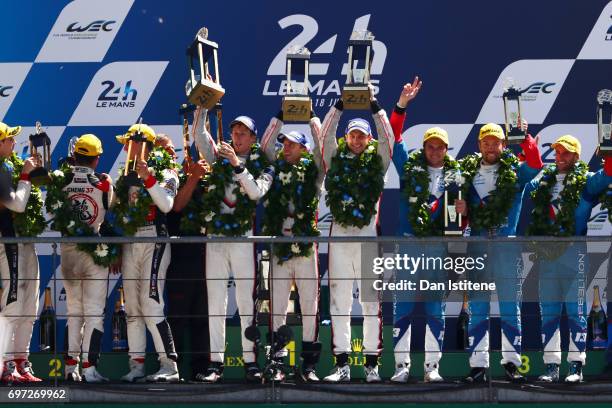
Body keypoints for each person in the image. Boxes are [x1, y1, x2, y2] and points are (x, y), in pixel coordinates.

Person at [455, 122, 542, 383]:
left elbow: (536, 165)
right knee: (479, 306)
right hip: (478, 243)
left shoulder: (514, 171)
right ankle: (478, 366)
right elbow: (454, 202)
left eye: (496, 142)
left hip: (507, 243)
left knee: (509, 306)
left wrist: (525, 138)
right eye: (486, 142)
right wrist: (461, 209)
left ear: (504, 145)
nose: (491, 146)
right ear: (479, 145)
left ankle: (512, 365)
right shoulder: (466, 172)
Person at [318, 84, 394, 383]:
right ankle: (342, 364)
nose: (358, 140)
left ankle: (373, 365)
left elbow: (388, 139)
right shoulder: (335, 161)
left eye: (362, 135)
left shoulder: (378, 162)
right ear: (346, 137)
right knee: (338, 302)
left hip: (367, 239)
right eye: (353, 135)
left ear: (368, 139)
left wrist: (375, 106)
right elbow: (324, 137)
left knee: (371, 302)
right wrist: (339, 105)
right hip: (338, 240)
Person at [193, 110, 275, 383]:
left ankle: (250, 361)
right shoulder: (218, 158)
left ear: (253, 138)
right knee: (216, 302)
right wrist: (201, 109)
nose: (237, 137)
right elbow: (200, 138)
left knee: (245, 302)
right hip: (215, 237)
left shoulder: (263, 164)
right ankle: (216, 363)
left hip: (244, 238)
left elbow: (256, 192)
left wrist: (237, 166)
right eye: (234, 132)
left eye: (243, 133)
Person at [523, 135, 612, 383]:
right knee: (549, 312)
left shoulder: (585, 181)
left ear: (576, 157)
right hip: (547, 254)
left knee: (575, 312)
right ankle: (551, 367)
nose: (560, 157)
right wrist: (529, 152)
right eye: (557, 152)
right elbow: (524, 183)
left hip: (575, 253)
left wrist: (609, 153)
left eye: (566, 153)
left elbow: (606, 177)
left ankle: (576, 367)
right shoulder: (545, 177)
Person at [388, 78, 455, 383]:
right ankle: (402, 367)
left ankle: (432, 368)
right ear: (425, 147)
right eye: (430, 146)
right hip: (409, 245)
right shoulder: (409, 168)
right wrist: (402, 104)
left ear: (446, 149)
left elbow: (462, 217)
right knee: (402, 304)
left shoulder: (457, 175)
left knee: (434, 309)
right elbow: (394, 136)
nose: (435, 151)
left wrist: (464, 215)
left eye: (440, 147)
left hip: (438, 247)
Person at [111, 123, 180, 383]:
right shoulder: (124, 176)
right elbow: (116, 214)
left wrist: (149, 177)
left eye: (129, 143)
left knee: (151, 304)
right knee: (133, 308)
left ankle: (169, 365)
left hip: (155, 239)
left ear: (142, 145)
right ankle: (136, 365)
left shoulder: (167, 170)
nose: (126, 149)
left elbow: (167, 204)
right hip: (130, 241)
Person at [45, 134, 115, 383]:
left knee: (74, 311)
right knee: (94, 312)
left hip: (69, 249)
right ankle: (89, 369)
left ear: (75, 156)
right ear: (96, 159)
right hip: (94, 249)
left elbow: (51, 211)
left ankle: (69, 368)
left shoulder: (60, 180)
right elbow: (109, 209)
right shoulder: (105, 183)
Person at [260, 108, 323, 382]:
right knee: (277, 306)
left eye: (292, 144)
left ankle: (308, 365)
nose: (286, 147)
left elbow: (323, 151)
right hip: (280, 244)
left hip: (306, 246)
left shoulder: (315, 172)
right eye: (284, 143)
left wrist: (312, 120)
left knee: (309, 305)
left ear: (304, 149)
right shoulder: (274, 168)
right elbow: (264, 147)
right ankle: (277, 363)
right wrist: (280, 116)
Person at [0, 122, 44, 383]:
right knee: (13, 302)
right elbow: (16, 204)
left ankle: (19, 362)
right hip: (6, 242)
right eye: (10, 140)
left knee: (27, 304)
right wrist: (26, 175)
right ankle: (5, 364)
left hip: (15, 240)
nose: (14, 144)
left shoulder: (7, 167)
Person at [166, 132, 211, 382]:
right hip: (180, 256)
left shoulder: (203, 180)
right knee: (178, 316)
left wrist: (200, 179)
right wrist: (193, 178)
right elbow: (177, 206)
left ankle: (201, 369)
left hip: (205, 256)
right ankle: (173, 368)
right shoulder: (171, 180)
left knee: (202, 317)